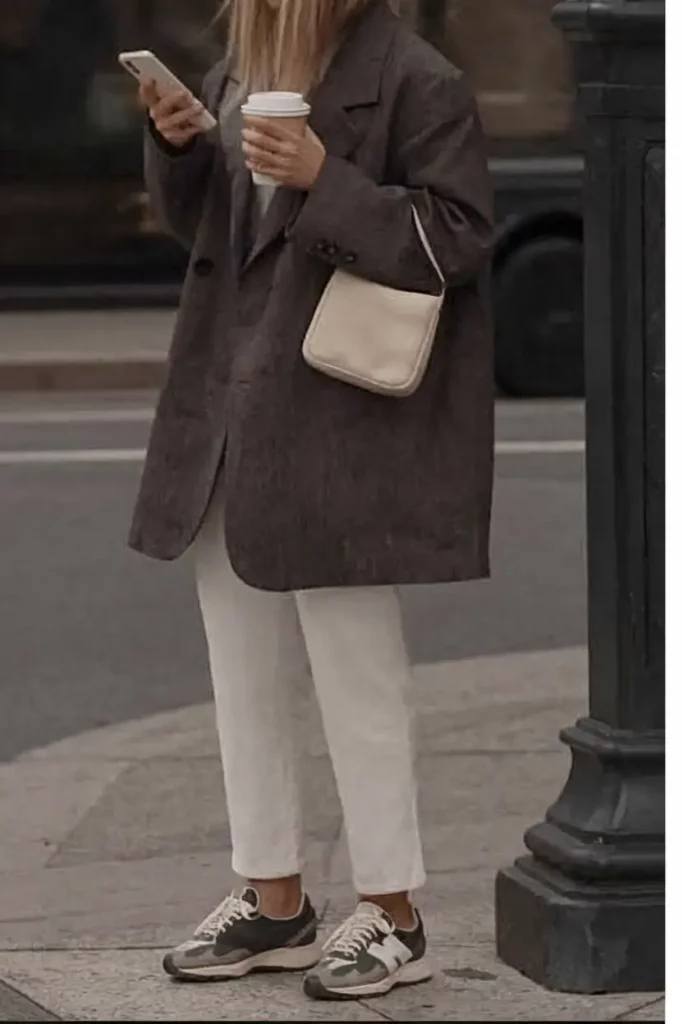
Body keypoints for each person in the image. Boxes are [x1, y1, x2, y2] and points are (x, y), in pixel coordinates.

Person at [131, 0, 494, 1003]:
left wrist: (321, 180)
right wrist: (179, 152)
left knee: (355, 674)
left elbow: (455, 242)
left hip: (336, 423)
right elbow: (204, 229)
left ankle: (394, 911)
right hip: (227, 415)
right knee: (240, 674)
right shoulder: (230, 78)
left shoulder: (419, 81)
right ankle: (273, 896)